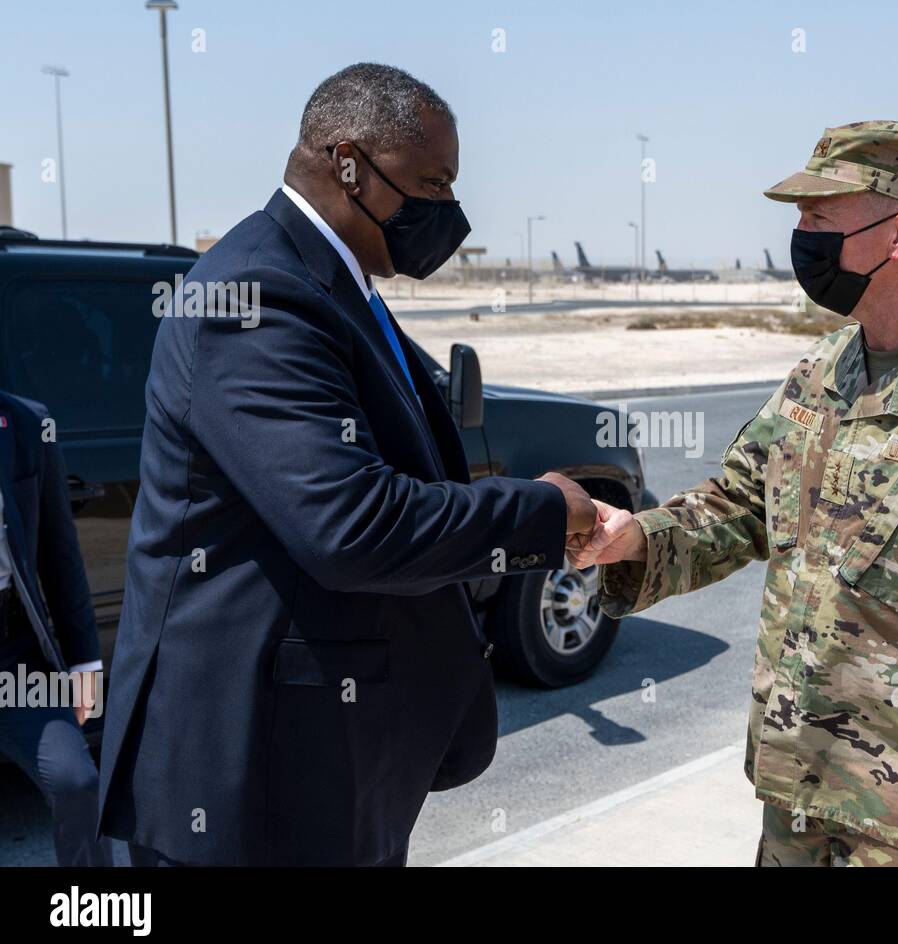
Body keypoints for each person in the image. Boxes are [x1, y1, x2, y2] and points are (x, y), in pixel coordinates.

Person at [98, 64, 595, 867]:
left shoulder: (330, 281)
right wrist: (539, 511)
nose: (448, 212)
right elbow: (351, 524)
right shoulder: (257, 295)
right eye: (431, 184)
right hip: (258, 783)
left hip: (332, 761)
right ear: (348, 163)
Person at [572, 121, 898, 867]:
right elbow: (739, 506)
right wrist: (637, 538)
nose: (802, 236)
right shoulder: (822, 371)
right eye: (799, 217)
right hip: (797, 793)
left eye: (821, 217)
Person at [0, 390, 111, 866]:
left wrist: (84, 662)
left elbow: (60, 557)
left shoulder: (25, 423)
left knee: (76, 781)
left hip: (14, 652)